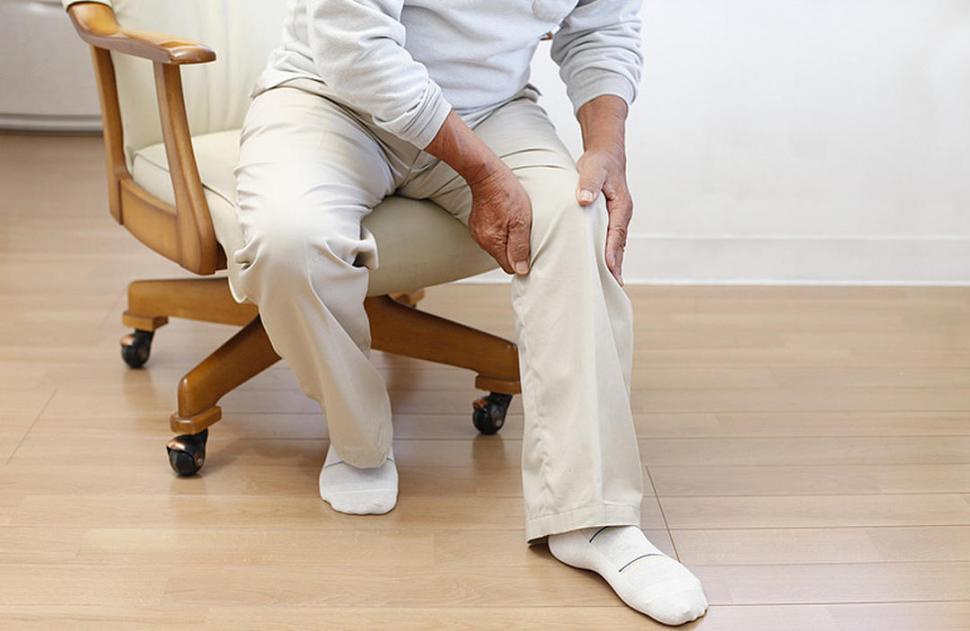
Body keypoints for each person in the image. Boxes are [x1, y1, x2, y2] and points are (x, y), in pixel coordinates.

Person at [233, 0, 708, 624]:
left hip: (489, 110)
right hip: (332, 98)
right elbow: (352, 42)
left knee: (575, 218)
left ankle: (591, 517)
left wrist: (606, 148)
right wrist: (483, 175)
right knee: (289, 242)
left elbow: (602, 28)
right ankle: (358, 443)